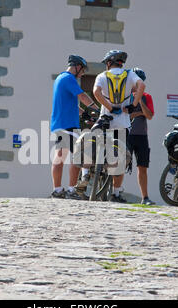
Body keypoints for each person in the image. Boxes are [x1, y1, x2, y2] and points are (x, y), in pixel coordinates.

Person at [93, 50, 145, 203]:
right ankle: (116, 193)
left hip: (105, 120)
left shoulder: (102, 75)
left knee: (93, 143)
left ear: (109, 62)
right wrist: (133, 106)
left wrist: (109, 107)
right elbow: (141, 85)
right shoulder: (129, 75)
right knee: (120, 156)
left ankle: (86, 175)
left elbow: (96, 92)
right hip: (122, 123)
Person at [51, 55, 99, 199]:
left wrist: (84, 113)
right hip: (68, 125)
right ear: (77, 67)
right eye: (83, 70)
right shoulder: (69, 78)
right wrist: (98, 110)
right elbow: (82, 96)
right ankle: (73, 190)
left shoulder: (60, 78)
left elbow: (70, 103)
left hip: (60, 124)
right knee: (80, 155)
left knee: (60, 157)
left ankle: (58, 190)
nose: (83, 73)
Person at [127, 68, 156, 206]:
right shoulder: (126, 96)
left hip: (141, 136)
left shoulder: (147, 97)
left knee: (142, 167)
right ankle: (115, 192)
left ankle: (145, 197)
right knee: (120, 163)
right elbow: (126, 114)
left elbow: (149, 115)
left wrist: (141, 103)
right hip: (127, 134)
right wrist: (138, 113)